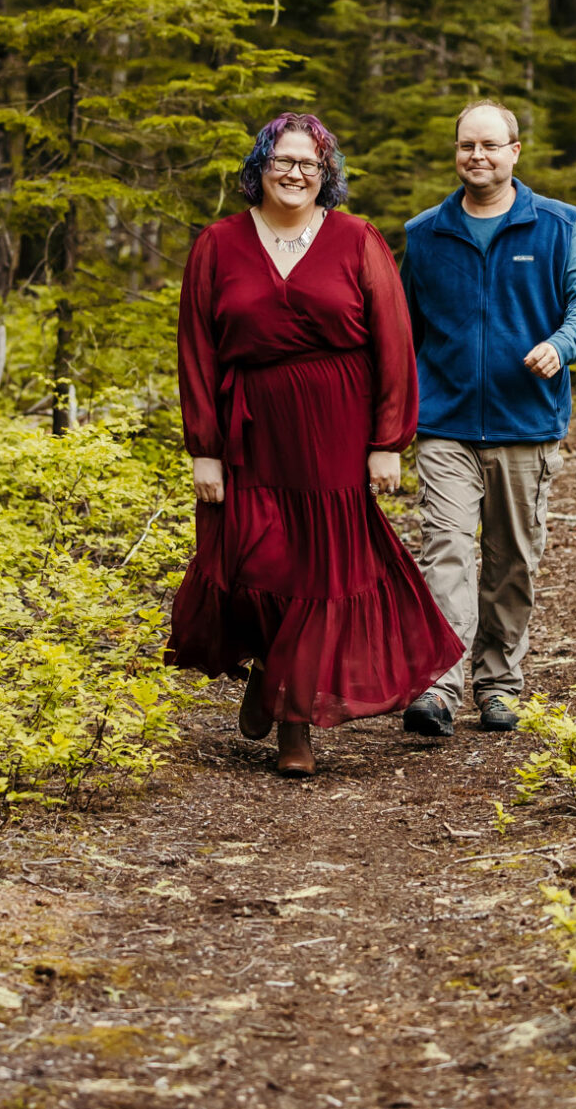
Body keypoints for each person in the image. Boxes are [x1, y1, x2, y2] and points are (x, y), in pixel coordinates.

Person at [169, 111, 461, 777]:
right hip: (250, 433)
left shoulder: (358, 240)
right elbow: (196, 352)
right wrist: (204, 448)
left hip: (334, 431)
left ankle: (295, 723)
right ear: (260, 169)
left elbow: (393, 346)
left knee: (318, 571)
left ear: (327, 175)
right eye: (283, 161)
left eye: (310, 164)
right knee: (255, 564)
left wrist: (387, 441)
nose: (296, 173)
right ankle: (271, 668)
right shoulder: (217, 244)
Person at [399, 102, 576, 737]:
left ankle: (498, 684)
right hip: (446, 424)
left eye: (490, 145)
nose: (477, 157)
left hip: (526, 425)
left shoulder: (555, 227)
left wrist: (562, 345)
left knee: (512, 559)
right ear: (456, 151)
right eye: (467, 146)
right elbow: (402, 329)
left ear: (515, 150)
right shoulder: (426, 234)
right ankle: (438, 686)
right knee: (448, 553)